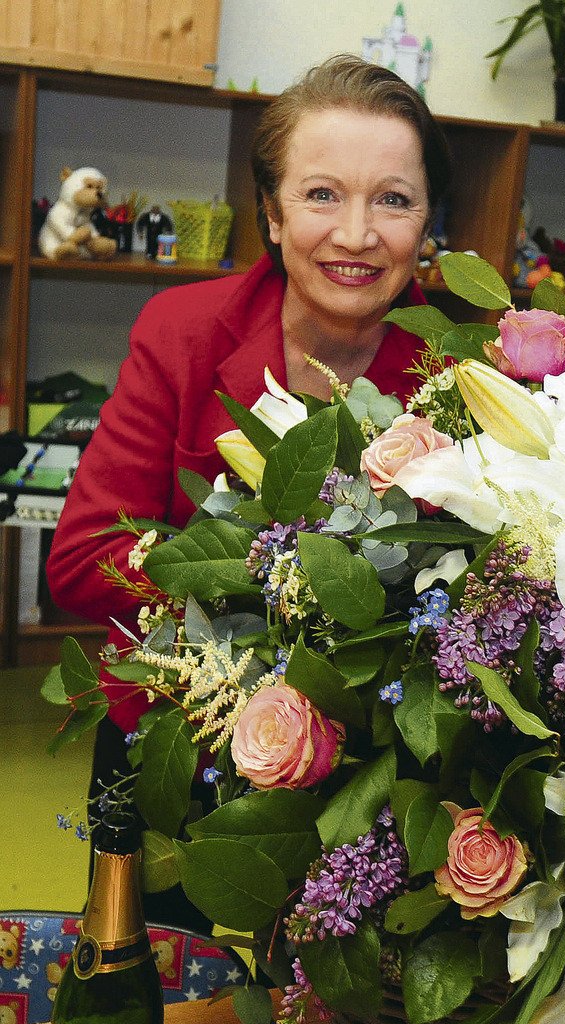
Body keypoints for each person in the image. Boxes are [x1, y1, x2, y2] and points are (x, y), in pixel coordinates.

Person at [45, 54, 452, 927]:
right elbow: (81, 560)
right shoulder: (185, 332)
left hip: (381, 773)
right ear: (270, 214)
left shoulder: (461, 369)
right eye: (320, 195)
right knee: (163, 1002)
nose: (356, 235)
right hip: (179, 741)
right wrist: (279, 587)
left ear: (427, 224)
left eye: (393, 199)